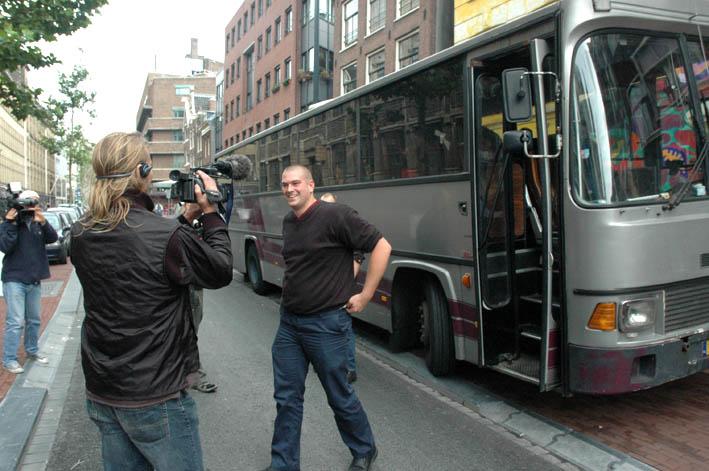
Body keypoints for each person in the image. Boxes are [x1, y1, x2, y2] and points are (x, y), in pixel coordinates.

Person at [71, 132, 232, 471]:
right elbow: (219, 271)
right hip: (155, 394)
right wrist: (211, 212)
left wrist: (184, 221)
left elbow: (137, 247)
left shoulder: (81, 231)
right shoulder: (164, 234)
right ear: (142, 171)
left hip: (104, 389)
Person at [265, 165, 391, 471]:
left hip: (326, 326)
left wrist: (365, 295)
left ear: (310, 185)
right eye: (284, 184)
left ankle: (364, 449)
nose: (289, 189)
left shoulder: (336, 215)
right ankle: (283, 465)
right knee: (287, 399)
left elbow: (381, 247)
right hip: (290, 325)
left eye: (295, 183)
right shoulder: (288, 221)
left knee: (339, 396)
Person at [0, 190, 57, 374]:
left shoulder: (38, 223)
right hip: (14, 278)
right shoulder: (9, 224)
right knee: (15, 321)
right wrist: (10, 223)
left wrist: (44, 221)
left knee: (34, 319)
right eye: (26, 203)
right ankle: (9, 359)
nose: (29, 207)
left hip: (34, 279)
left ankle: (32, 351)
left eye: (33, 203)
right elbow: (5, 246)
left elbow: (53, 238)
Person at [319, 192, 363, 383]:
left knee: (343, 328)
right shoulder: (320, 226)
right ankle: (330, 364)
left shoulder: (344, 224)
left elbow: (358, 256)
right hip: (326, 287)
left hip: (341, 288)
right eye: (323, 205)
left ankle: (349, 369)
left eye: (329, 205)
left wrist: (343, 281)